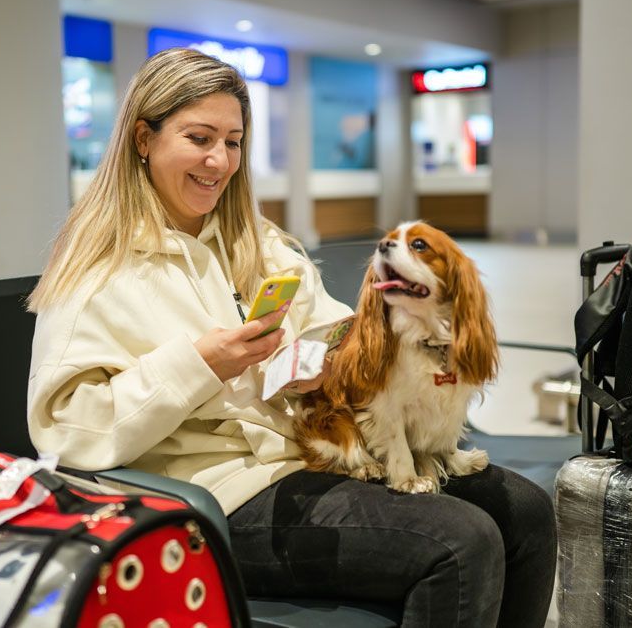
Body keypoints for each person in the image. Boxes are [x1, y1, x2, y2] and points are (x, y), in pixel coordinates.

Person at [27, 47, 556, 627]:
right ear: (143, 138)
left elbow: (331, 329)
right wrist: (199, 365)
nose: (219, 161)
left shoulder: (258, 242)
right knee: (461, 540)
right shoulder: (96, 269)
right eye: (199, 138)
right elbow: (68, 435)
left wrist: (324, 360)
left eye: (233, 142)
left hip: (314, 453)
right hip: (218, 492)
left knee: (527, 511)